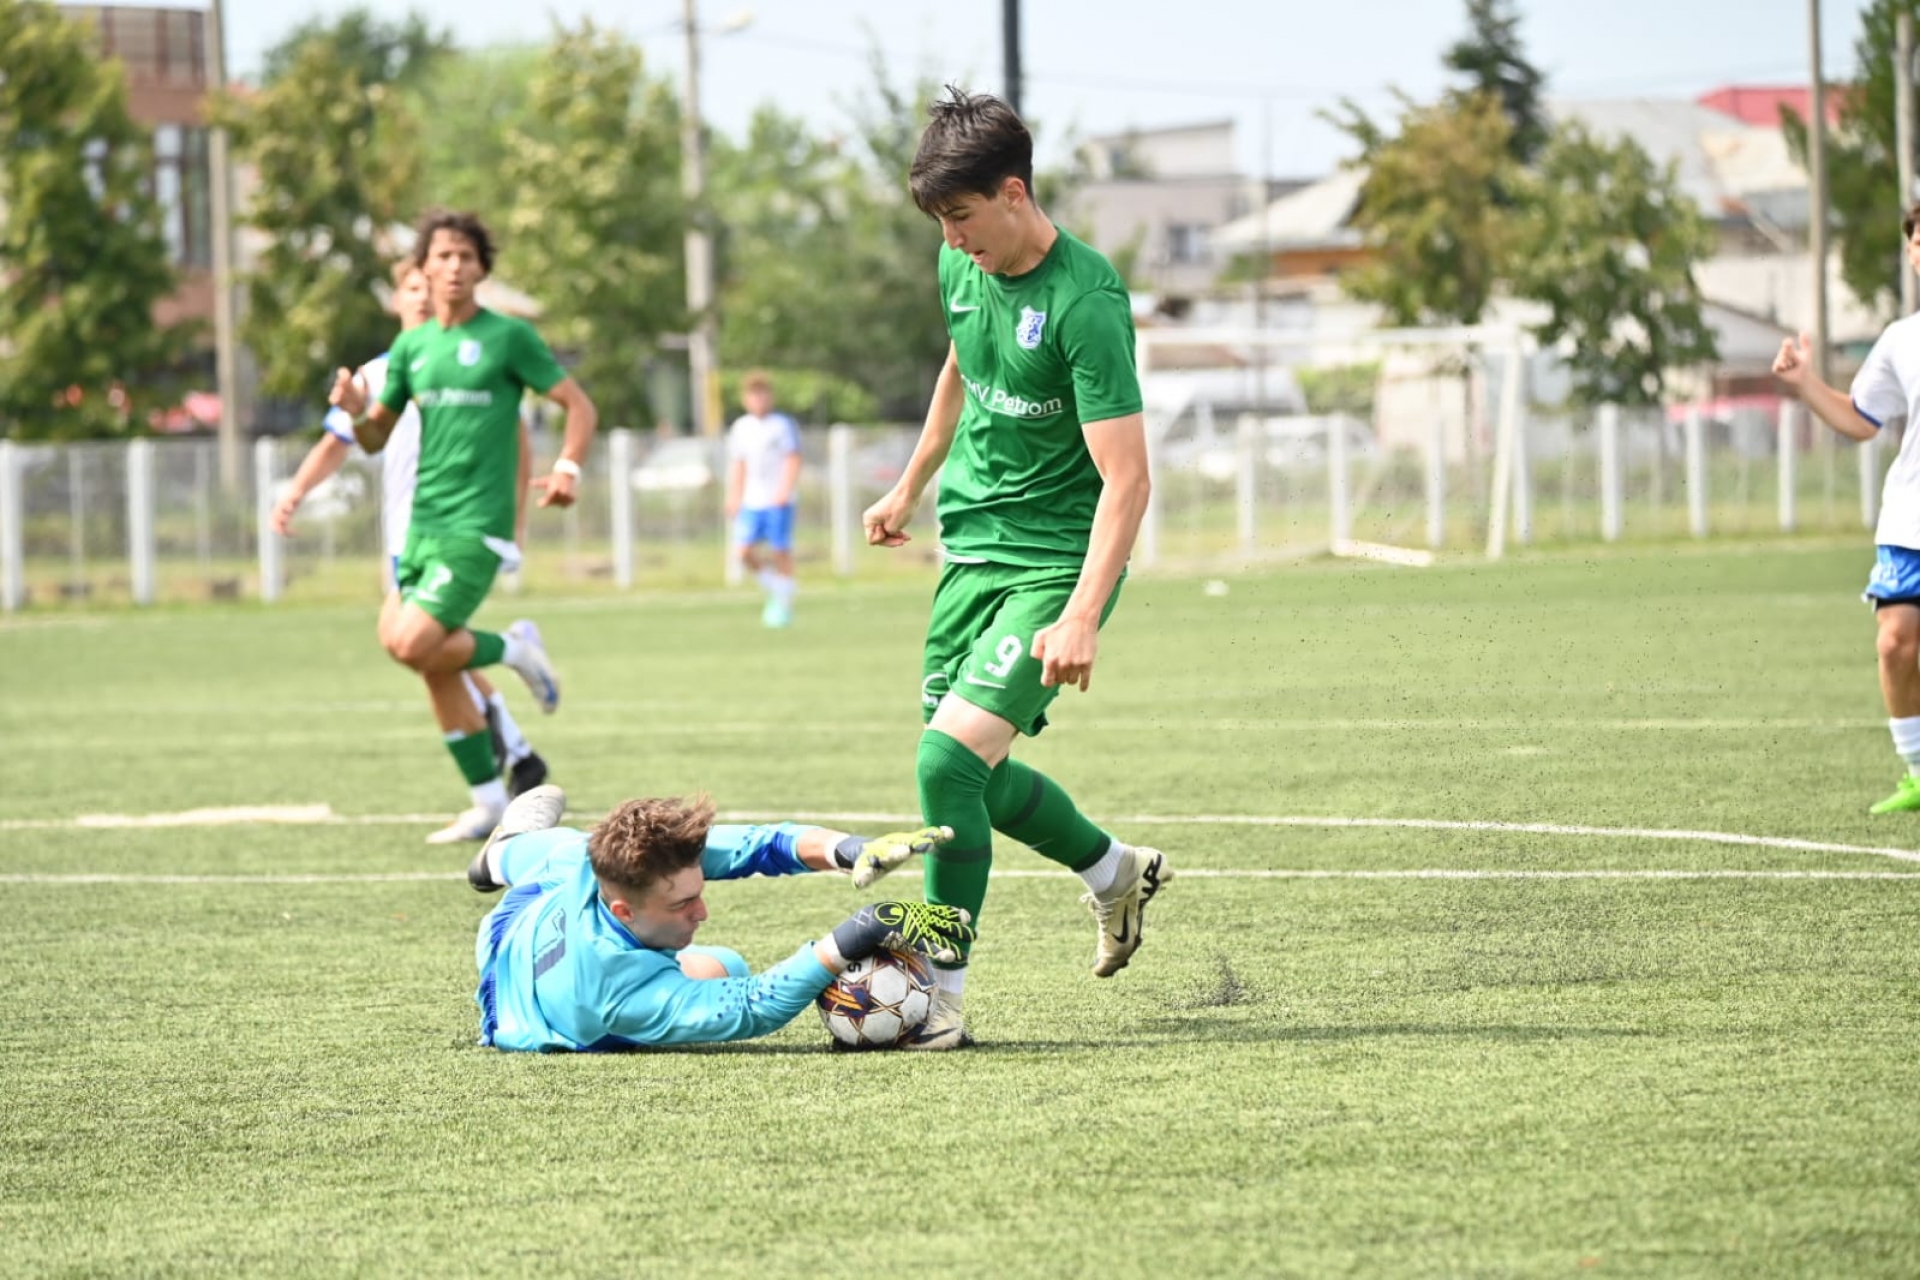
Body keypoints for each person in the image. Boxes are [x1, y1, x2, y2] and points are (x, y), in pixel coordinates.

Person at [858, 87, 1170, 1051]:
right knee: (972, 783)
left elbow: (1128, 480)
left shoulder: (1086, 301)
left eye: (962, 217)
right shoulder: (962, 263)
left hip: (1054, 565)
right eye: (939, 224)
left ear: (1014, 192)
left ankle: (937, 995)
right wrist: (911, 483)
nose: (953, 241)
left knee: (943, 763)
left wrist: (1080, 613)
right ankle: (1114, 871)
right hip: (970, 554)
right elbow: (963, 362)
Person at [329, 208, 598, 844]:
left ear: (482, 269)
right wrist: (358, 410)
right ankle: (488, 802)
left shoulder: (508, 338)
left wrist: (567, 468)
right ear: (423, 268)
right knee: (420, 655)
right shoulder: (412, 348)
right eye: (442, 257)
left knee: (415, 643)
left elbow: (577, 405)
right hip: (421, 527)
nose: (453, 267)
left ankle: (515, 650)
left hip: (475, 525)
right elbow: (374, 438)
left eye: (466, 257)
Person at [271, 259, 550, 814]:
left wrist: (516, 521)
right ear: (395, 299)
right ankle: (513, 760)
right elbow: (339, 441)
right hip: (406, 538)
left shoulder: (473, 361)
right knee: (426, 653)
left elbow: (517, 440)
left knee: (421, 646)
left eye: (430, 286)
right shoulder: (381, 373)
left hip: (459, 532)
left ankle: (511, 709)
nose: (422, 296)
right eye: (412, 287)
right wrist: (295, 491)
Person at [467, 785, 970, 1052]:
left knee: (566, 850)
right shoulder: (618, 996)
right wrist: (857, 932)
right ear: (623, 910)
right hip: (523, 1009)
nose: (702, 911)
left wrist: (851, 848)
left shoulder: (598, 863)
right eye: (682, 905)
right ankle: (506, 848)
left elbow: (762, 844)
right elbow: (754, 1004)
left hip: (527, 910)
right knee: (724, 967)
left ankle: (503, 849)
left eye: (698, 892)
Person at [1773, 200, 1920, 814]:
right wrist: (1805, 384)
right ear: (1911, 254)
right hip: (1911, 519)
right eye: (1919, 240)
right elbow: (1862, 419)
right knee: (1895, 643)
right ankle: (1918, 773)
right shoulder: (1902, 341)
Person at [724, 370, 802, 627]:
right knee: (743, 551)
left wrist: (784, 489)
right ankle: (778, 590)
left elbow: (792, 458)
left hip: (778, 500)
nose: (758, 399)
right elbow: (739, 464)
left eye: (762, 394)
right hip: (752, 500)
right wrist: (734, 496)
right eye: (753, 395)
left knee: (780, 551)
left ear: (770, 396)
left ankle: (784, 605)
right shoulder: (741, 427)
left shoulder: (781, 425)